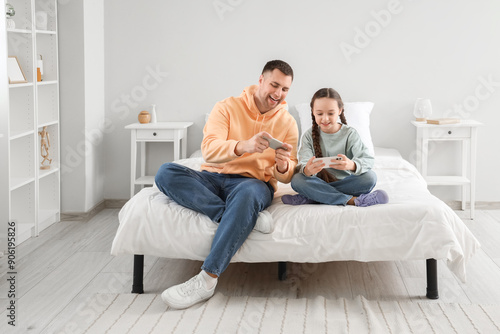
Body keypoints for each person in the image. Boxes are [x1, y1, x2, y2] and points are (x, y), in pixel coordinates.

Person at [154, 60, 298, 309]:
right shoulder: (227, 107)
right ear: (261, 80)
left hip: (252, 183)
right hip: (212, 177)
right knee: (166, 172)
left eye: (285, 89)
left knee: (247, 196)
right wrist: (243, 146)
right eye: (274, 85)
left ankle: (207, 279)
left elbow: (287, 175)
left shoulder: (287, 123)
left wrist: (284, 166)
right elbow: (208, 150)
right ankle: (237, 217)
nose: (278, 94)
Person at [282, 87, 388, 207]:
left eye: (331, 113)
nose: (325, 118)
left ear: (340, 111)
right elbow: (302, 163)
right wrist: (308, 170)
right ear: (313, 112)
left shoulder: (350, 134)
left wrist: (351, 165)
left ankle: (313, 196)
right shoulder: (308, 136)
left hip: (346, 182)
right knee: (297, 180)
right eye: (320, 113)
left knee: (370, 177)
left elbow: (367, 159)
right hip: (317, 181)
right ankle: (351, 200)